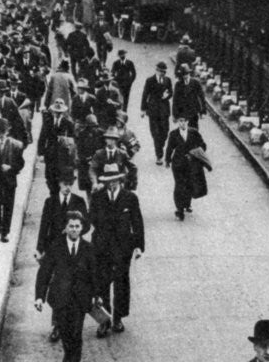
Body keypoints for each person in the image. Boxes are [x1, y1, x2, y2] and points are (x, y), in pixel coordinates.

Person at [35, 212, 100, 362]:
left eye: (77, 226)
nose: (74, 229)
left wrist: (97, 295)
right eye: (71, 226)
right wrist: (39, 297)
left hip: (80, 301)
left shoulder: (88, 248)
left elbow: (95, 274)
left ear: (82, 228)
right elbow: (44, 272)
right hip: (60, 300)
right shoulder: (55, 247)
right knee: (66, 335)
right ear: (66, 227)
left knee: (76, 335)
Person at [88, 164, 144, 337]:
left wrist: (139, 246)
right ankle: (104, 320)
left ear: (120, 180)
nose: (111, 184)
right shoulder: (97, 197)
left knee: (121, 284)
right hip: (102, 248)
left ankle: (118, 318)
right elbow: (92, 219)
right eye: (108, 181)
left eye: (115, 180)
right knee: (102, 284)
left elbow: (137, 222)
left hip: (122, 248)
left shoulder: (130, 198)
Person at [164, 116, 208, 219]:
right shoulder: (174, 134)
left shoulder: (194, 132)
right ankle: (179, 210)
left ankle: (187, 204)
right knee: (179, 185)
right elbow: (169, 148)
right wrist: (167, 160)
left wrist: (194, 153)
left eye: (184, 121)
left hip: (190, 164)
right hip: (178, 164)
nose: (182, 123)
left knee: (188, 183)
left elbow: (203, 145)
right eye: (180, 121)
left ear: (187, 122)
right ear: (177, 122)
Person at [0, 118, 24, 242]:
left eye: (3, 132)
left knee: (8, 206)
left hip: (9, 180)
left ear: (7, 131)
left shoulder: (16, 145)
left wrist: (11, 167)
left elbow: (21, 163)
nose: (1, 135)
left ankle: (5, 232)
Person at [140, 61, 173, 164]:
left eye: (164, 72)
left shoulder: (168, 80)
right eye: (161, 71)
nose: (163, 73)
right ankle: (159, 155)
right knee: (155, 133)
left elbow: (171, 92)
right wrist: (143, 109)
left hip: (164, 110)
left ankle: (160, 146)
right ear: (157, 70)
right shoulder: (150, 80)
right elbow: (145, 95)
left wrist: (167, 96)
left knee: (165, 132)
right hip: (153, 110)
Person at [172, 64, 207, 129]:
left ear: (189, 73)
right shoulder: (178, 84)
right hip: (182, 113)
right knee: (183, 132)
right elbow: (175, 100)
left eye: (186, 74)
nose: (185, 76)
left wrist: (203, 112)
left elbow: (202, 97)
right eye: (183, 74)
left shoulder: (195, 83)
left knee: (194, 131)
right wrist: (174, 115)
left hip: (193, 112)